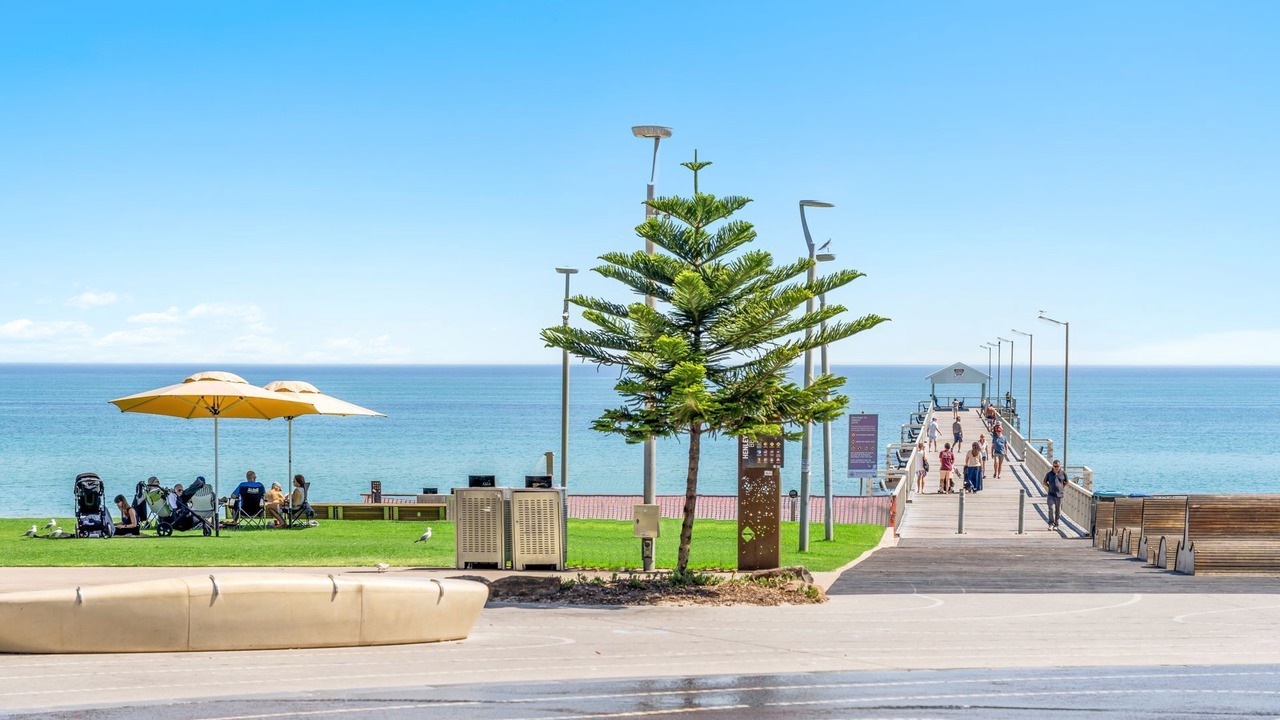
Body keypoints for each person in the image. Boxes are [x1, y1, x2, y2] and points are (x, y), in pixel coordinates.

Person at [1044, 459, 1068, 530]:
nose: (1056, 467)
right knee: (1051, 508)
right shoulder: (1049, 474)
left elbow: (1067, 482)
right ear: (1053, 466)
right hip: (1051, 495)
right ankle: (1051, 524)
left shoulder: (1063, 473)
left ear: (1060, 466)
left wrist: (1062, 487)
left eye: (1057, 466)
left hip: (1060, 495)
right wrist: (1049, 486)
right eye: (1055, 466)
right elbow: (1044, 482)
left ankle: (1056, 524)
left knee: (1058, 510)